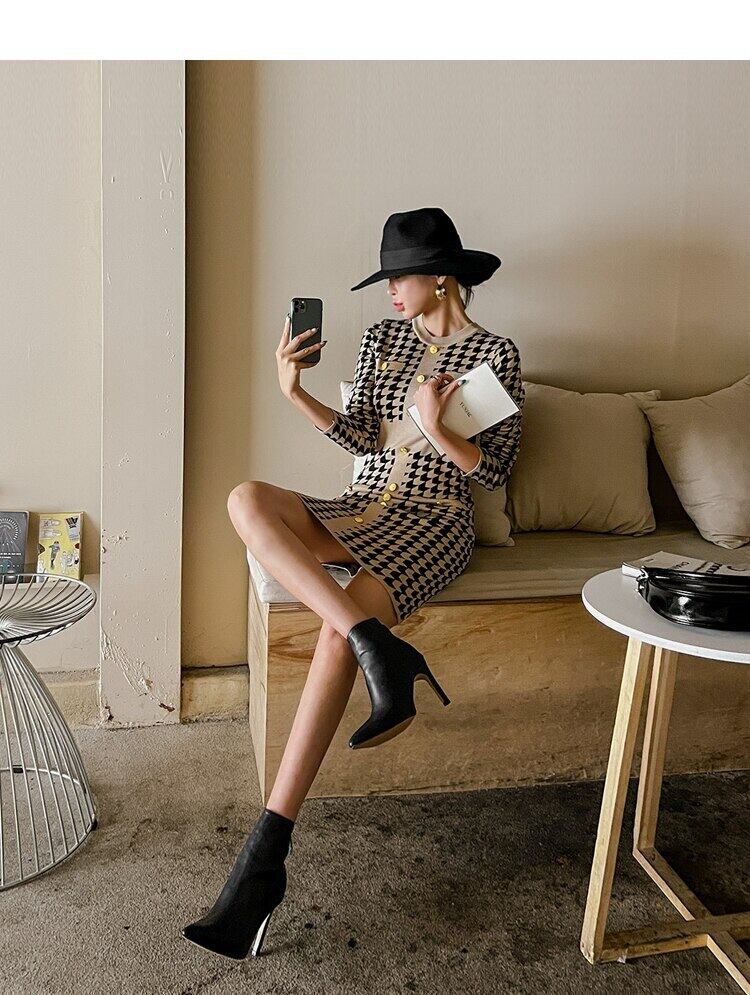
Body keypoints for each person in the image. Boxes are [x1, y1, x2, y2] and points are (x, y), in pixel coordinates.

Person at [182, 206, 525, 960]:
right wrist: (293, 391)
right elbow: (363, 436)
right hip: (361, 505)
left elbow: (494, 472)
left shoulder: (494, 354)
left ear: (442, 277)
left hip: (433, 521)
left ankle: (264, 859)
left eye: (400, 276)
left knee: (335, 641)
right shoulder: (381, 339)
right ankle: (381, 646)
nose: (391, 291)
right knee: (246, 499)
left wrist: (438, 429)